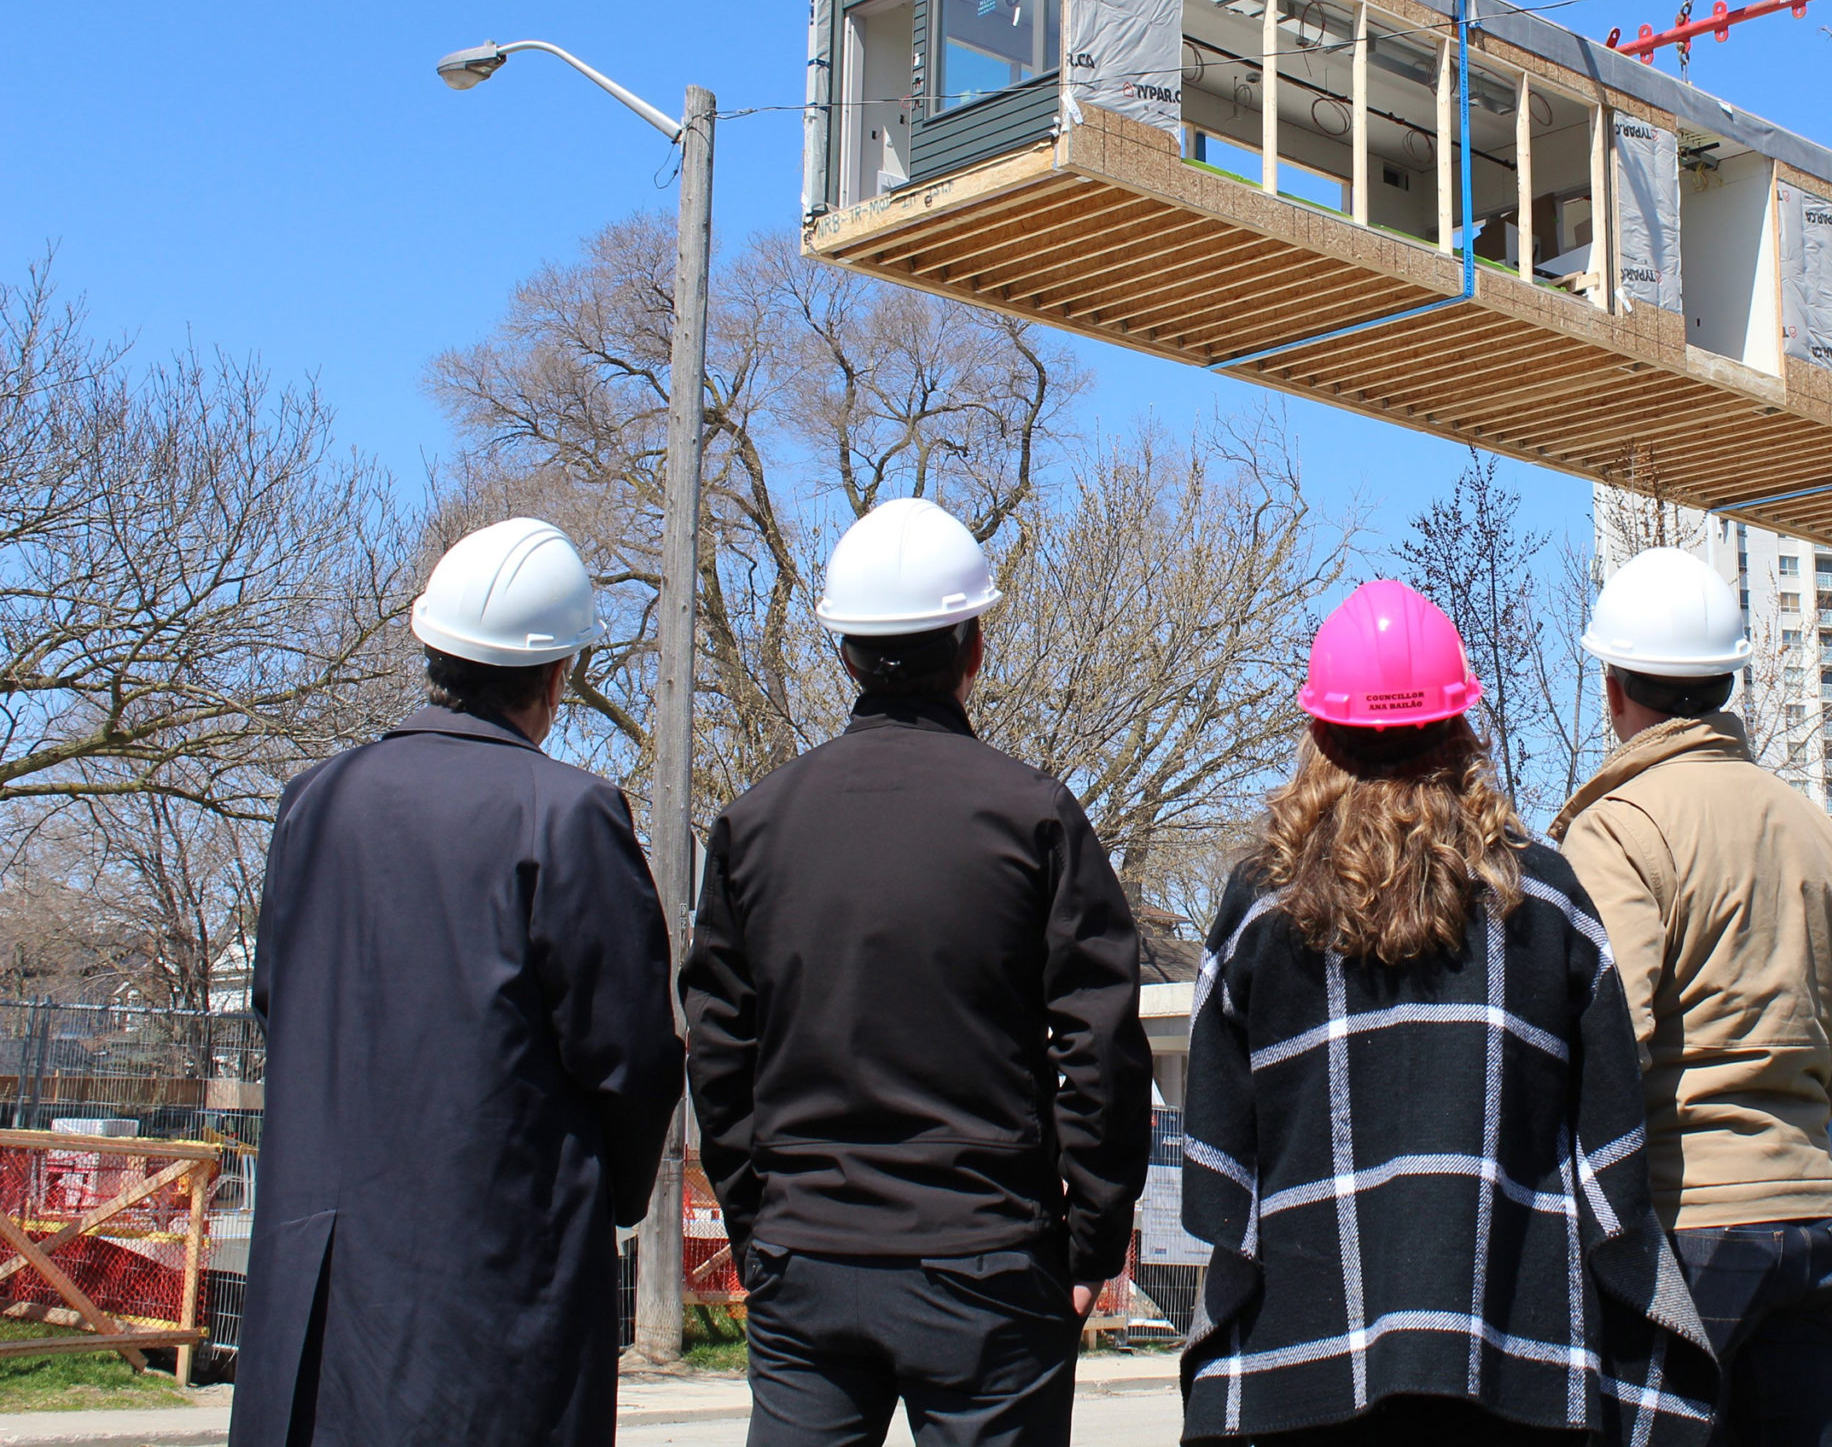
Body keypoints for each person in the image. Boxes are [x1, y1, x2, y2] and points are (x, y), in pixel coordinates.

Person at [1181, 579, 1718, 1445]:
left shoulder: (1259, 909)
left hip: (1302, 1363)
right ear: (1463, 726)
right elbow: (1611, 1149)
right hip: (1515, 1357)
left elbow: (1216, 1162)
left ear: (1318, 729)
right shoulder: (1543, 897)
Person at [682, 497, 1152, 1447]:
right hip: (987, 1258)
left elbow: (718, 1049)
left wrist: (756, 1219)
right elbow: (1098, 1043)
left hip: (805, 1253)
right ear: (973, 647)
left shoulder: (754, 826)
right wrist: (1092, 1237)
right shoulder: (1036, 819)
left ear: (844, 652)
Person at [232, 518, 685, 1447]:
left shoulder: (313, 800)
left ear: (431, 646)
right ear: (559, 675)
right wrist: (613, 1198)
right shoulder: (568, 814)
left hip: (317, 1293)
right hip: (494, 1295)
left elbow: (280, 1004)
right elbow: (632, 1056)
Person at [1550, 547, 1832, 1447]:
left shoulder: (1620, 827)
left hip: (1686, 1231)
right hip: (1807, 1221)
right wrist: (1788, 1097)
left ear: (1612, 688)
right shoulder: (1810, 824)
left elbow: (1610, 1029)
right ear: (1724, 681)